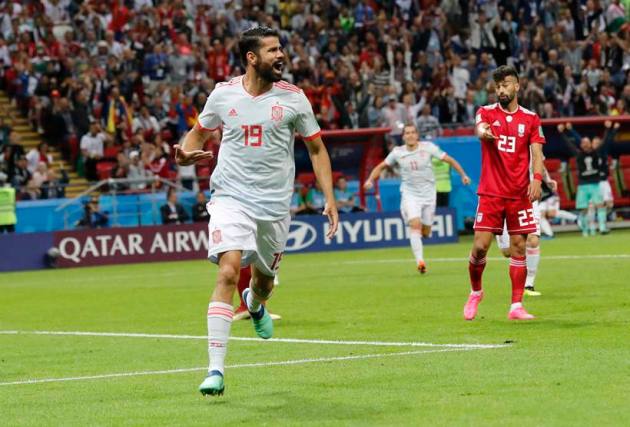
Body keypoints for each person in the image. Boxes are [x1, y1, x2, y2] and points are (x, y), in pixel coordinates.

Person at [173, 27, 338, 397]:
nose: (280, 56)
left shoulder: (294, 99)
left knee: (262, 283)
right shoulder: (223, 94)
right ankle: (215, 370)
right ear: (251, 58)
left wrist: (329, 197)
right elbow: (198, 134)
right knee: (228, 271)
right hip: (230, 196)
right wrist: (185, 155)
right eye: (272, 50)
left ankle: (255, 303)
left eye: (281, 49)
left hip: (275, 206)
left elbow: (316, 150)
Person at [464, 65, 545, 321]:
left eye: (506, 85)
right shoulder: (486, 112)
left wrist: (538, 179)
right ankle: (476, 291)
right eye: (498, 86)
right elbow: (480, 128)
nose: (501, 90)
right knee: (479, 247)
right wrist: (483, 133)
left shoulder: (531, 118)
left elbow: (537, 152)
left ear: (517, 86)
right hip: (491, 192)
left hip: (519, 193)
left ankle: (516, 306)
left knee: (519, 247)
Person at [364, 124, 470, 274]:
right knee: (415, 224)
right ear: (403, 136)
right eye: (407, 133)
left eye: (413, 132)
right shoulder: (397, 152)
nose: (410, 135)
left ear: (417, 135)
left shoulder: (428, 147)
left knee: (425, 232)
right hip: (410, 194)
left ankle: (419, 232)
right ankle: (420, 262)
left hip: (429, 195)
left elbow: (450, 160)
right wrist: (369, 180)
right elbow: (380, 167)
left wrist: (463, 175)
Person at [495, 165, 557, 297]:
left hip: (528, 198)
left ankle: (529, 284)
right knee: (507, 251)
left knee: (533, 240)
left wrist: (548, 180)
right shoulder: (499, 147)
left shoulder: (531, 146)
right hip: (504, 197)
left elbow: (539, 163)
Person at [558, 122, 610, 235]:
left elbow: (604, 142)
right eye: (583, 142)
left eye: (587, 142)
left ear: (590, 144)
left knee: (600, 205)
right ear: (581, 145)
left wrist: (607, 129)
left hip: (595, 184)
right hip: (583, 185)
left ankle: (601, 227)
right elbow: (568, 144)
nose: (585, 143)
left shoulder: (596, 152)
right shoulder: (578, 154)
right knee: (584, 209)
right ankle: (585, 230)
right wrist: (562, 133)